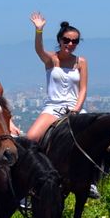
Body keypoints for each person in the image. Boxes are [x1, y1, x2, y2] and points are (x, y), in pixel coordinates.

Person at [25, 13, 88, 142]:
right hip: (53, 108)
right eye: (66, 40)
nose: (70, 44)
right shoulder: (51, 59)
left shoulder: (81, 62)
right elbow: (39, 49)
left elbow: (83, 89)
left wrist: (76, 109)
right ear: (60, 40)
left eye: (74, 41)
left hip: (75, 108)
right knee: (31, 138)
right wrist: (39, 30)